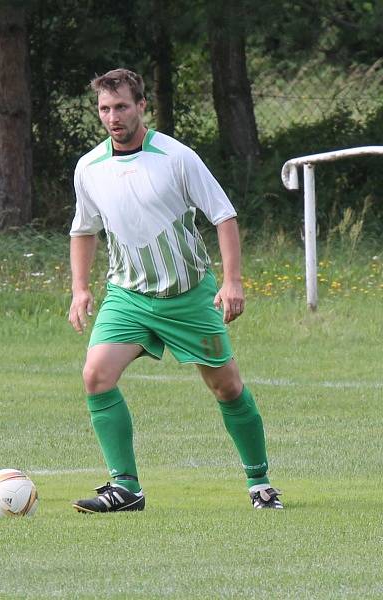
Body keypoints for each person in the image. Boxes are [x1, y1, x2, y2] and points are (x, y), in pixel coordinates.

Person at [67, 68, 282, 513]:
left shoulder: (176, 157)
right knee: (96, 376)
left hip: (187, 297)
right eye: (105, 109)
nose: (113, 117)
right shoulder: (89, 168)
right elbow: (83, 229)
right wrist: (80, 288)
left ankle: (259, 482)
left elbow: (223, 215)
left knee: (226, 387)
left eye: (122, 106)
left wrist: (232, 280)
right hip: (127, 296)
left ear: (142, 106)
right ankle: (126, 488)